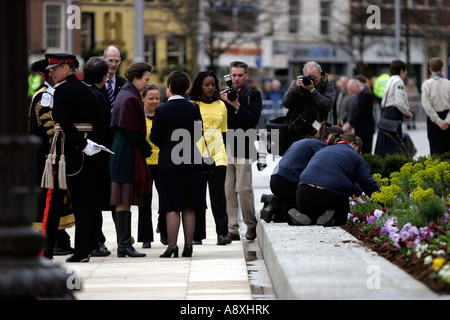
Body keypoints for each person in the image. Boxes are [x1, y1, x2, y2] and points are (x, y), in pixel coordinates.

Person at [45, 53, 109, 262]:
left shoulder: (62, 91)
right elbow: (102, 119)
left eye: (54, 69)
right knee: (83, 204)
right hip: (87, 154)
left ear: (66, 68)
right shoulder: (90, 91)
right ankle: (83, 251)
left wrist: (81, 143)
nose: (51, 74)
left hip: (65, 154)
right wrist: (92, 143)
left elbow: (63, 122)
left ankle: (46, 252)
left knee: (54, 203)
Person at [150, 70, 206, 258]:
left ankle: (172, 245)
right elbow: (199, 134)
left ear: (169, 88)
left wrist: (167, 146)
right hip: (192, 160)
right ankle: (188, 245)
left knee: (171, 206)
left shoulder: (161, 110)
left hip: (169, 162)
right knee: (189, 205)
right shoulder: (194, 108)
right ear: (187, 89)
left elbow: (155, 136)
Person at [28, 58, 74, 259]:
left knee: (55, 201)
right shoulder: (43, 97)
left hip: (54, 156)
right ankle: (53, 242)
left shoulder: (53, 94)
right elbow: (49, 131)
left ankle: (60, 241)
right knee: (48, 201)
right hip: (48, 157)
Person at [109, 62, 153, 258]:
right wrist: (146, 148)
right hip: (126, 152)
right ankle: (125, 244)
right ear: (136, 78)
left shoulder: (125, 94)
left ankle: (123, 244)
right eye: (146, 79)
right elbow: (131, 130)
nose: (147, 83)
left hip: (122, 151)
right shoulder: (130, 97)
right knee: (124, 199)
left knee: (122, 200)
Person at [261, 122, 344, 224]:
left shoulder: (306, 142)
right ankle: (277, 205)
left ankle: (276, 206)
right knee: (311, 208)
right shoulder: (322, 148)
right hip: (288, 181)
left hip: (275, 178)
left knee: (297, 202)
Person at [289, 133, 380, 226]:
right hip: (329, 196)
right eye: (359, 150)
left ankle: (306, 215)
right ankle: (334, 217)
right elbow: (368, 184)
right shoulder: (354, 155)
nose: (360, 153)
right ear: (353, 144)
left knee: (312, 216)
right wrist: (383, 200)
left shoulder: (322, 150)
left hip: (303, 194)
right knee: (342, 215)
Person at [220, 61, 262, 241]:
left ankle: (250, 225)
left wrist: (236, 104)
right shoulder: (222, 94)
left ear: (246, 76)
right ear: (230, 75)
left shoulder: (253, 94)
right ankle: (233, 228)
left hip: (244, 144)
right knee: (228, 189)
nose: (236, 79)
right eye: (234, 75)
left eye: (240, 75)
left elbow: (253, 120)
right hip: (224, 144)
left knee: (243, 188)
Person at [190, 71, 231, 246]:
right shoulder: (192, 105)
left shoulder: (222, 105)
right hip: (197, 156)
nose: (211, 88)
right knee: (198, 197)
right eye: (207, 84)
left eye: (213, 84)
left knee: (218, 197)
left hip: (218, 157)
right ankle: (197, 235)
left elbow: (224, 133)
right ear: (199, 85)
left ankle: (222, 234)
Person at [82, 56, 112, 257]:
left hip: (80, 151)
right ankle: (96, 241)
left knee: (84, 200)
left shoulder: (79, 92)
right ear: (103, 77)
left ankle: (87, 240)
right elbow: (104, 127)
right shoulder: (99, 95)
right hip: (96, 154)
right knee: (94, 200)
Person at [282, 61, 335, 143]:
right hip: (297, 129)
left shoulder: (327, 85)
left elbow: (327, 106)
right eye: (309, 77)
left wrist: (313, 91)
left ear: (320, 75)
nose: (311, 80)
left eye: (314, 77)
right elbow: (285, 103)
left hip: (318, 131)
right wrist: (295, 88)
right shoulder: (299, 83)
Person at [137, 84, 161, 248]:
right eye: (151, 98)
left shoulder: (163, 114)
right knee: (144, 203)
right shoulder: (139, 117)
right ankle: (146, 237)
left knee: (167, 200)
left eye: (157, 98)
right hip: (145, 163)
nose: (154, 101)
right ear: (143, 98)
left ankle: (165, 230)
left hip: (162, 163)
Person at [374, 60, 413, 157]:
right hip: (393, 114)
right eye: (405, 72)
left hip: (386, 113)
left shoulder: (389, 80)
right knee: (394, 144)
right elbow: (399, 102)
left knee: (384, 144)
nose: (405, 74)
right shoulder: (398, 81)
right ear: (401, 71)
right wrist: (406, 112)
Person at [420, 57, 450, 155]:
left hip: (433, 119)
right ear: (441, 68)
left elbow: (426, 105)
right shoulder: (448, 83)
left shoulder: (427, 84)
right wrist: (446, 121)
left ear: (430, 69)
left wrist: (438, 121)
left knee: (435, 151)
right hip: (447, 118)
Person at [343, 79, 375, 154]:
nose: (351, 93)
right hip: (361, 129)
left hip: (365, 130)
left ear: (357, 86)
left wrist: (349, 123)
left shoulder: (365, 95)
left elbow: (360, 113)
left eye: (352, 90)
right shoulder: (360, 95)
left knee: (364, 151)